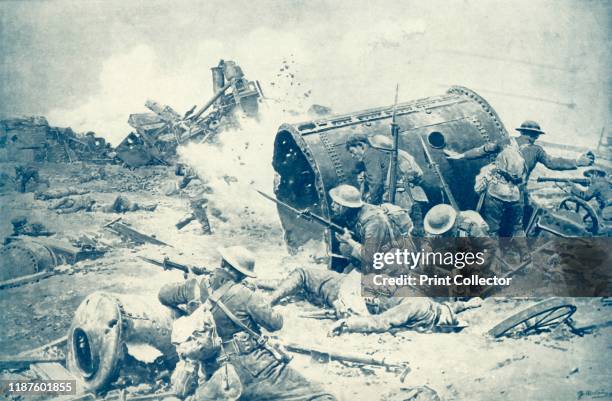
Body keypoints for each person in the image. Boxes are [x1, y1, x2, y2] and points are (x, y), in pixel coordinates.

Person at [159, 246, 336, 401]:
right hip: (255, 368)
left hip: (215, 372)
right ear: (243, 274)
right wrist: (259, 298)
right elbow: (275, 323)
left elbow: (164, 294)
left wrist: (194, 307)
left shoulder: (195, 286)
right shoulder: (245, 294)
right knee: (319, 396)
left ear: (222, 262)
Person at [444, 120, 595, 224]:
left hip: (495, 191)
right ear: (535, 135)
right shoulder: (537, 150)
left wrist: (460, 156)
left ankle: (492, 258)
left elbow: (481, 151)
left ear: (522, 132)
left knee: (493, 224)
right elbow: (553, 163)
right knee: (516, 226)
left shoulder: (504, 142)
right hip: (517, 193)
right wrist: (577, 162)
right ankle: (519, 257)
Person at [329, 184, 413, 274]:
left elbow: (369, 256)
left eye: (336, 203)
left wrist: (349, 240)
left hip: (391, 263)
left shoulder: (374, 223)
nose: (332, 205)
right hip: (377, 253)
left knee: (346, 249)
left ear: (346, 207)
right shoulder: (356, 212)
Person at [367, 134, 428, 236]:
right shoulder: (397, 156)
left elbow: (416, 174)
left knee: (415, 231)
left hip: (408, 198)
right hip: (408, 197)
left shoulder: (398, 157)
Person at [329, 296, 482, 336]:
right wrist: (347, 324)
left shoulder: (436, 309)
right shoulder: (417, 307)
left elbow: (453, 307)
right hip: (371, 297)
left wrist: (468, 305)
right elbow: (382, 322)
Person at [345, 133, 389, 204]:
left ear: (361, 146)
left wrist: (372, 204)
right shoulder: (373, 153)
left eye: (352, 151)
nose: (352, 156)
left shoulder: (370, 155)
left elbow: (376, 182)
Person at [570, 167, 612, 233]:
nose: (590, 179)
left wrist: (573, 187)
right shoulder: (606, 183)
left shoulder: (597, 184)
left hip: (608, 211)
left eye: (590, 176)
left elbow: (585, 196)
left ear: (595, 174)